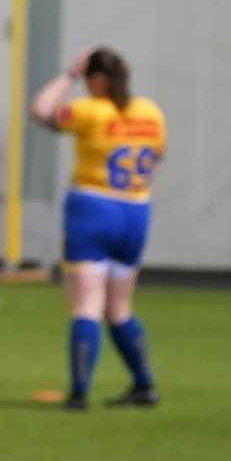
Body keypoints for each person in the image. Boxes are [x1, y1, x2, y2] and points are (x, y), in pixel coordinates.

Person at [28, 45, 167, 409]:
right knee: (119, 308)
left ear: (98, 81)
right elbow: (157, 156)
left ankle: (78, 392)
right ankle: (144, 385)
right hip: (136, 211)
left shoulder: (90, 110)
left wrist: (69, 75)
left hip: (93, 209)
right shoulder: (150, 111)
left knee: (86, 304)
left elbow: (40, 110)